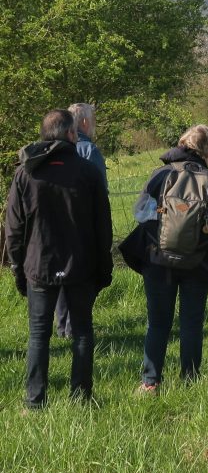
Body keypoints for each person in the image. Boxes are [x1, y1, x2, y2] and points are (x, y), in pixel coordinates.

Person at [4, 109, 113, 408]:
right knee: (82, 332)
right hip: (81, 265)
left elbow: (13, 227)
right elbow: (104, 225)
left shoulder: (26, 172)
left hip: (38, 264)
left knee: (39, 336)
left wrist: (17, 266)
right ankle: (81, 398)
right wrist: (104, 267)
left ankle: (34, 401)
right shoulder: (88, 171)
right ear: (70, 134)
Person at [138, 124, 208, 392]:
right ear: (207, 150)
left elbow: (142, 215)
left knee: (158, 322)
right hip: (199, 262)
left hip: (159, 261)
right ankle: (190, 380)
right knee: (191, 322)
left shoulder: (159, 175)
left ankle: (150, 382)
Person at [55, 102, 109, 338]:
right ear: (84, 123)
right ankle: (73, 328)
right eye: (93, 120)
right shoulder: (90, 151)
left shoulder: (53, 150)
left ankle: (61, 325)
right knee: (79, 275)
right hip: (82, 222)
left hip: (56, 222)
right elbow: (100, 191)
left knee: (60, 272)